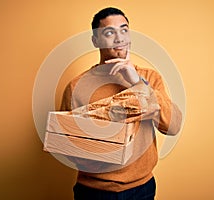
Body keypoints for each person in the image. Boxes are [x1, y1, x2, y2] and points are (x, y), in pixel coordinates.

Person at [60, 7, 182, 200]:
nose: (119, 38)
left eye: (124, 30)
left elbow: (173, 125)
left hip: (141, 189)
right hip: (92, 191)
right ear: (95, 40)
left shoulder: (149, 77)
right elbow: (66, 144)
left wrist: (137, 83)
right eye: (109, 33)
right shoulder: (75, 86)